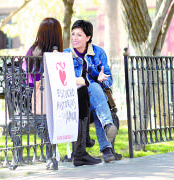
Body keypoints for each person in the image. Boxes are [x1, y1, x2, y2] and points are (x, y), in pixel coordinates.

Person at [23, 17, 101, 167]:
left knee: (83, 92)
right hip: (42, 98)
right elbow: (38, 80)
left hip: (53, 95)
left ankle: (81, 148)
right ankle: (81, 149)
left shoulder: (42, 50)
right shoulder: (38, 52)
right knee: (82, 95)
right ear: (54, 34)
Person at [64, 19, 120, 163]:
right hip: (75, 99)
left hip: (95, 99)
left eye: (79, 35)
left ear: (88, 37)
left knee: (95, 89)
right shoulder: (65, 55)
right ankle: (106, 144)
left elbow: (109, 80)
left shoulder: (98, 52)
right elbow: (61, 80)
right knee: (93, 89)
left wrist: (101, 78)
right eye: (73, 34)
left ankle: (107, 135)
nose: (74, 38)